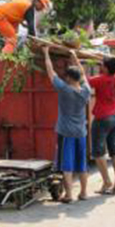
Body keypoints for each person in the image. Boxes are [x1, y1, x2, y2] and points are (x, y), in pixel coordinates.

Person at [43, 47, 91, 203]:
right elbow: (83, 73)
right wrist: (74, 56)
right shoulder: (86, 91)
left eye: (66, 76)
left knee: (67, 165)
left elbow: (51, 73)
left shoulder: (64, 90)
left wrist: (46, 53)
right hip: (81, 133)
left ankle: (69, 194)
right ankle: (83, 193)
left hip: (67, 133)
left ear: (69, 78)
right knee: (82, 164)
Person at [88, 56, 115, 195]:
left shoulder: (101, 79)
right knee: (114, 150)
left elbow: (83, 80)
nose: (100, 66)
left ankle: (107, 181)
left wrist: (76, 62)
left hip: (102, 118)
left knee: (98, 152)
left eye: (102, 65)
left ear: (107, 69)